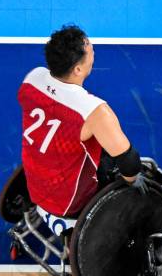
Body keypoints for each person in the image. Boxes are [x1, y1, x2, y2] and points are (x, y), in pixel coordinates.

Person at [17, 24, 145, 222]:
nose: (92, 48)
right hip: (70, 202)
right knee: (125, 171)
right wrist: (131, 181)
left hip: (34, 184)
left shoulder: (32, 78)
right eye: (90, 48)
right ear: (77, 69)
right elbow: (129, 163)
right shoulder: (94, 111)